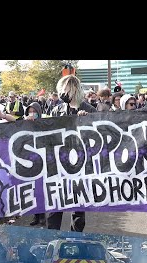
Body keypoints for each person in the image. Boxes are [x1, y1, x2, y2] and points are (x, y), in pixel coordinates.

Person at [47, 75, 92, 232]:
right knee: (54, 207)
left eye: (65, 90)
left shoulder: (88, 110)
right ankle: (51, 238)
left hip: (80, 167)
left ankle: (76, 238)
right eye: (61, 90)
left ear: (74, 89)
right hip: (59, 166)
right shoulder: (56, 110)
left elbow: (96, 138)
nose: (62, 93)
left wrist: (87, 121)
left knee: (78, 207)